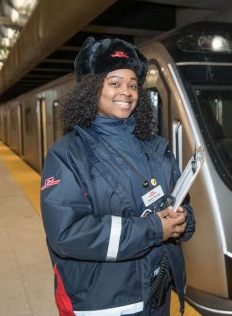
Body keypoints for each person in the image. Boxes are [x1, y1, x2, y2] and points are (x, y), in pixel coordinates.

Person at [40, 37, 195, 316]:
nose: (126, 92)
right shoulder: (67, 154)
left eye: (133, 85)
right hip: (106, 305)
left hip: (156, 296)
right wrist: (153, 230)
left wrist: (183, 219)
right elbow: (66, 233)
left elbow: (180, 202)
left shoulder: (155, 147)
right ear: (92, 89)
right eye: (114, 83)